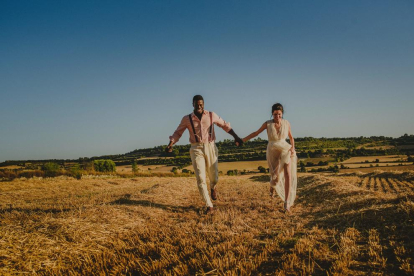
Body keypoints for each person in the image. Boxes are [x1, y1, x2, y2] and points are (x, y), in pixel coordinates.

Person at [166, 95, 243, 214]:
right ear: (193, 104)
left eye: (201, 104)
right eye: (197, 104)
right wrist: (171, 143)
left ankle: (213, 186)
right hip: (196, 148)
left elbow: (224, 125)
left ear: (204, 104)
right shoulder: (186, 119)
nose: (199, 106)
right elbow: (178, 132)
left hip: (210, 146)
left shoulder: (212, 115)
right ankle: (209, 205)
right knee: (200, 178)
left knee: (214, 176)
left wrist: (236, 137)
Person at [242, 103, 297, 212]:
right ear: (272, 114)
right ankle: (272, 186)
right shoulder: (267, 124)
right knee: (275, 177)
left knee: (288, 173)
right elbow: (256, 133)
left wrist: (292, 148)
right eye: (275, 114)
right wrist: (243, 140)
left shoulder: (287, 123)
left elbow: (291, 138)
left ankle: (286, 203)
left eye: (279, 114)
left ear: (282, 114)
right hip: (272, 150)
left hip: (285, 148)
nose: (277, 116)